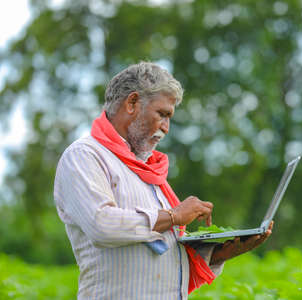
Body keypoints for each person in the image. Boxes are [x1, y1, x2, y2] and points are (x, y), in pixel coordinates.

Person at [53, 61, 273, 299]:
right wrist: (174, 216)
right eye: (162, 114)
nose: (166, 128)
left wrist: (223, 253)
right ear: (132, 103)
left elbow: (161, 263)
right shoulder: (85, 155)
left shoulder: (147, 169)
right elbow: (102, 225)